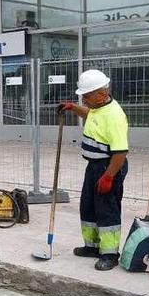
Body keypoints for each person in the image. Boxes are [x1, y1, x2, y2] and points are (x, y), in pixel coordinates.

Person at [58, 69, 129, 271]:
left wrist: (108, 177)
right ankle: (92, 247)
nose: (84, 100)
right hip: (94, 167)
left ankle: (110, 253)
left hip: (109, 167)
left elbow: (120, 153)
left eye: (86, 96)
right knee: (88, 206)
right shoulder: (99, 107)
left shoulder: (114, 116)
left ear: (101, 93)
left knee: (107, 209)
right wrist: (73, 107)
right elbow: (90, 113)